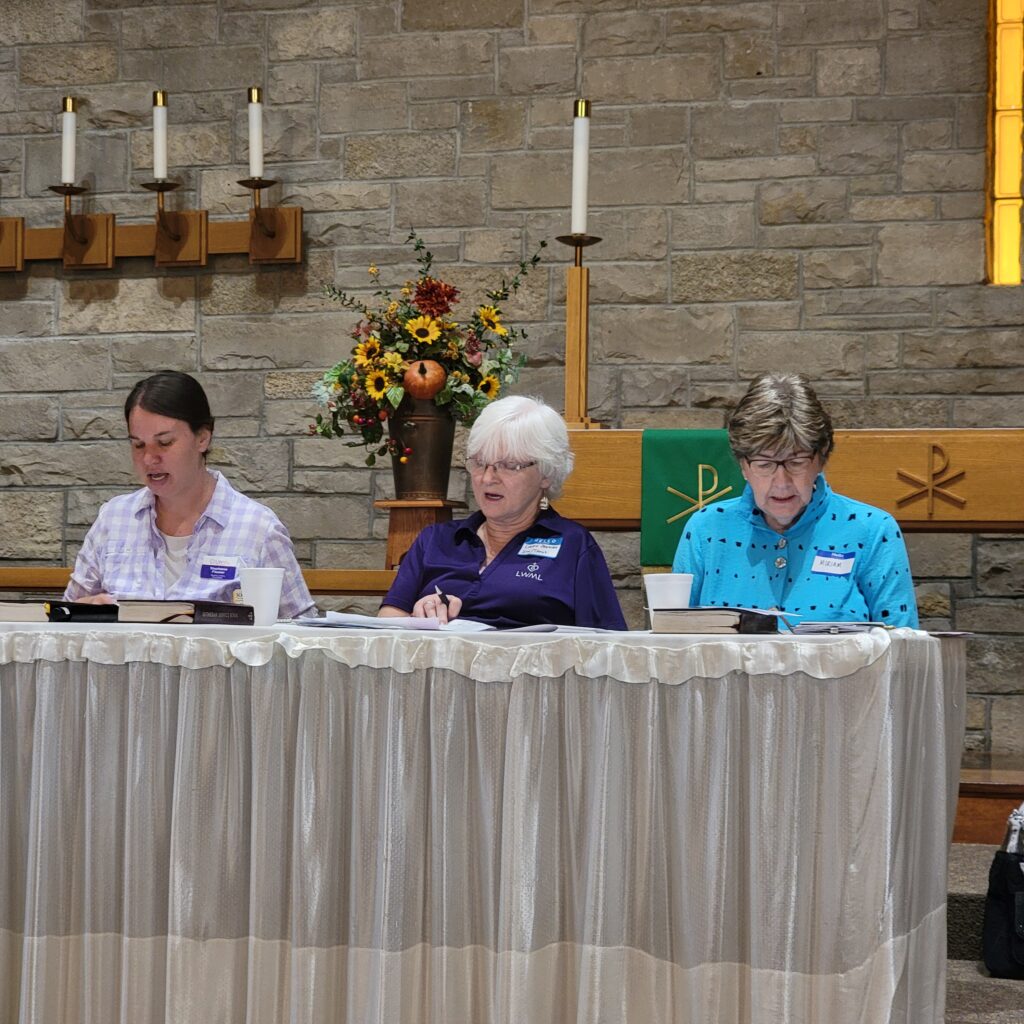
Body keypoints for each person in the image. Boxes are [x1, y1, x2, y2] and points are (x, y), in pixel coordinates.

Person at [672, 373, 919, 627]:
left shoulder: (873, 530)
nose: (781, 482)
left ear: (821, 459)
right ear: (743, 466)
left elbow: (904, 646)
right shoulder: (705, 530)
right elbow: (672, 643)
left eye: (796, 462)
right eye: (764, 464)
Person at [64, 371, 315, 619]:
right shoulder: (113, 519)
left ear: (202, 438)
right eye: (138, 445)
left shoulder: (259, 530)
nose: (149, 458)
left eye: (164, 443)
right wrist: (82, 612)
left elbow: (303, 634)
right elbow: (63, 617)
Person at [379, 395, 627, 629]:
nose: (487, 478)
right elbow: (387, 622)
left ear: (547, 473)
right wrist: (418, 616)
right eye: (479, 462)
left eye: (509, 466)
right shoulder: (436, 539)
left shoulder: (574, 546)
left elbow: (607, 643)